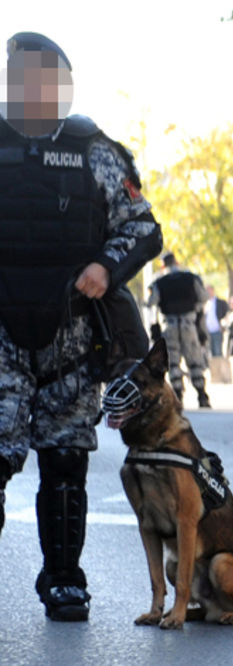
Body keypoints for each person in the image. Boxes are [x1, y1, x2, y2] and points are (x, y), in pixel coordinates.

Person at [0, 32, 162, 621]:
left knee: (65, 462)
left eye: (42, 77)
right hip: (1, 336)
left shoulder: (96, 150)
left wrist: (105, 266)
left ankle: (65, 579)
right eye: (20, 74)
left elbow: (143, 228)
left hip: (70, 332)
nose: (30, 87)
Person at [147, 252, 211, 408]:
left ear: (163, 265)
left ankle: (178, 396)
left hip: (170, 325)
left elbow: (151, 303)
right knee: (194, 359)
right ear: (176, 262)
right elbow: (203, 297)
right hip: (189, 324)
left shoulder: (158, 281)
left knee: (173, 362)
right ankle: (202, 395)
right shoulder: (190, 278)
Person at [203, 284, 228, 358]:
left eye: (209, 290)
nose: (208, 292)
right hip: (207, 332)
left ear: (213, 291)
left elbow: (227, 314)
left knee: (218, 352)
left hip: (217, 331)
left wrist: (223, 325)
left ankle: (220, 369)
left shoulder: (221, 302)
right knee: (210, 354)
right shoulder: (204, 304)